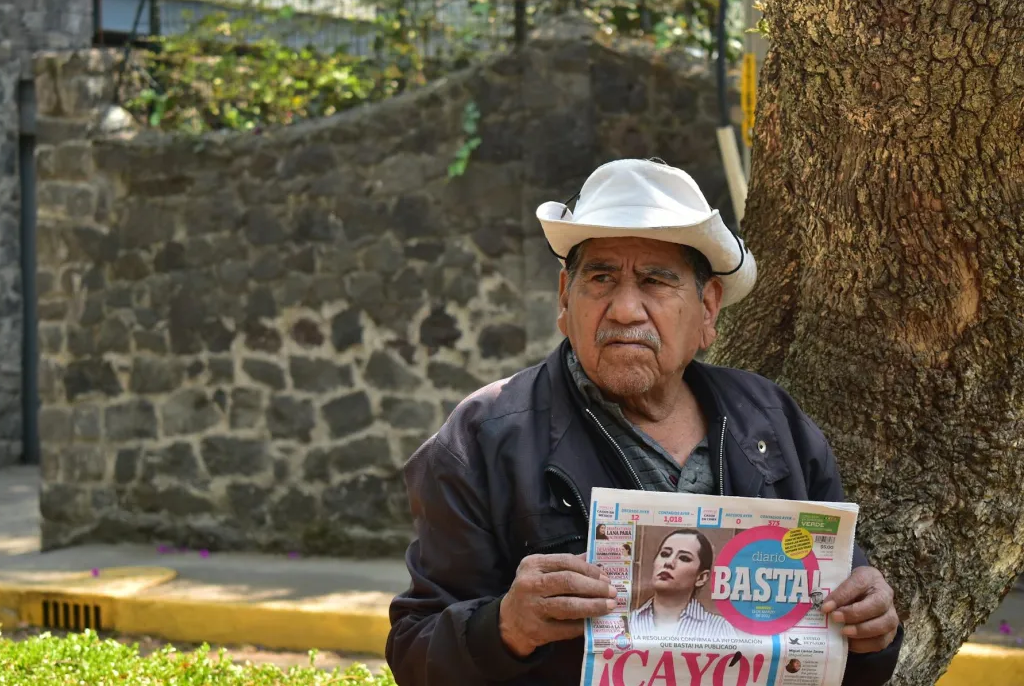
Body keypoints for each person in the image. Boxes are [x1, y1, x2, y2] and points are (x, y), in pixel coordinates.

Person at [387, 159, 903, 686]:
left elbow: (848, 646)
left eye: (656, 281)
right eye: (601, 278)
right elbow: (413, 652)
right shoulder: (483, 437)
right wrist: (504, 628)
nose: (626, 309)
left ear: (707, 310)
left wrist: (873, 634)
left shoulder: (774, 424)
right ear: (565, 298)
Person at [629, 529, 735, 639]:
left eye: (684, 558)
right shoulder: (627, 622)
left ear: (701, 577)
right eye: (665, 554)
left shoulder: (719, 629)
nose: (669, 563)